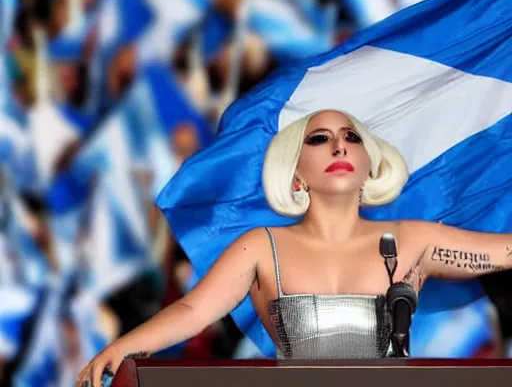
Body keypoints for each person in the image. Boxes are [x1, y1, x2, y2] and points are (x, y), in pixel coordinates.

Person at [76, 109, 512, 385]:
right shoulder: (261, 248)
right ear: (295, 172)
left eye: (352, 136)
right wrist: (122, 347)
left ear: (369, 166)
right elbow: (193, 312)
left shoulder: (413, 240)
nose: (339, 144)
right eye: (319, 138)